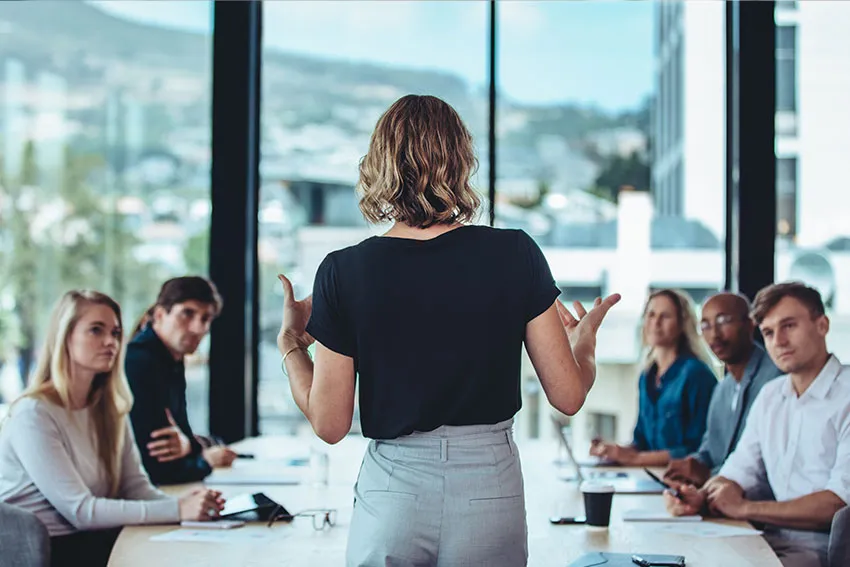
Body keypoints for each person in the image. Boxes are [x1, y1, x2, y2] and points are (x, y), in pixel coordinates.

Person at [275, 94, 620, 567]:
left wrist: (293, 346)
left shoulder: (343, 270)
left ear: (379, 164)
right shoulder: (515, 253)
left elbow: (330, 424)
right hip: (489, 484)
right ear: (460, 162)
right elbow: (568, 396)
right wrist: (584, 345)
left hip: (393, 489)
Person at [0, 290, 224, 567]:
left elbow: (137, 487)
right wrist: (177, 508)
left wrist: (191, 505)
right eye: (96, 330)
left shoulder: (109, 408)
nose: (111, 342)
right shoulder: (33, 413)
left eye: (116, 333)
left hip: (96, 540)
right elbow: (81, 511)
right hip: (51, 553)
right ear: (65, 336)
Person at [665, 282, 850, 567]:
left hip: (824, 553)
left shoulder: (846, 395)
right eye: (768, 332)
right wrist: (701, 496)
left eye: (789, 326)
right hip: (765, 540)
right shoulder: (771, 395)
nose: (779, 341)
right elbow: (739, 469)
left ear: (822, 325)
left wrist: (745, 508)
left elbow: (839, 503)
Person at [126, 277, 236, 485]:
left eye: (205, 319)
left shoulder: (171, 359)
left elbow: (182, 436)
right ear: (160, 314)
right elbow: (158, 466)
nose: (198, 328)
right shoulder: (140, 362)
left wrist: (190, 446)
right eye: (187, 313)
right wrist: (205, 460)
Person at [663, 292, 782, 487]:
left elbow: (764, 464)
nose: (714, 334)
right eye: (706, 325)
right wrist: (690, 466)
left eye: (724, 321)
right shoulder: (722, 389)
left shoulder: (775, 379)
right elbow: (708, 451)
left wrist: (708, 475)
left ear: (750, 324)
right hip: (717, 496)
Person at [590, 289, 718, 467]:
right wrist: (614, 452)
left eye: (665, 316)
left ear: (682, 324)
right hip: (649, 476)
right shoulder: (646, 376)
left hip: (683, 482)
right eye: (651, 315)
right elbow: (640, 442)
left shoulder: (697, 374)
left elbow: (697, 449)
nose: (655, 323)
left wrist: (634, 459)